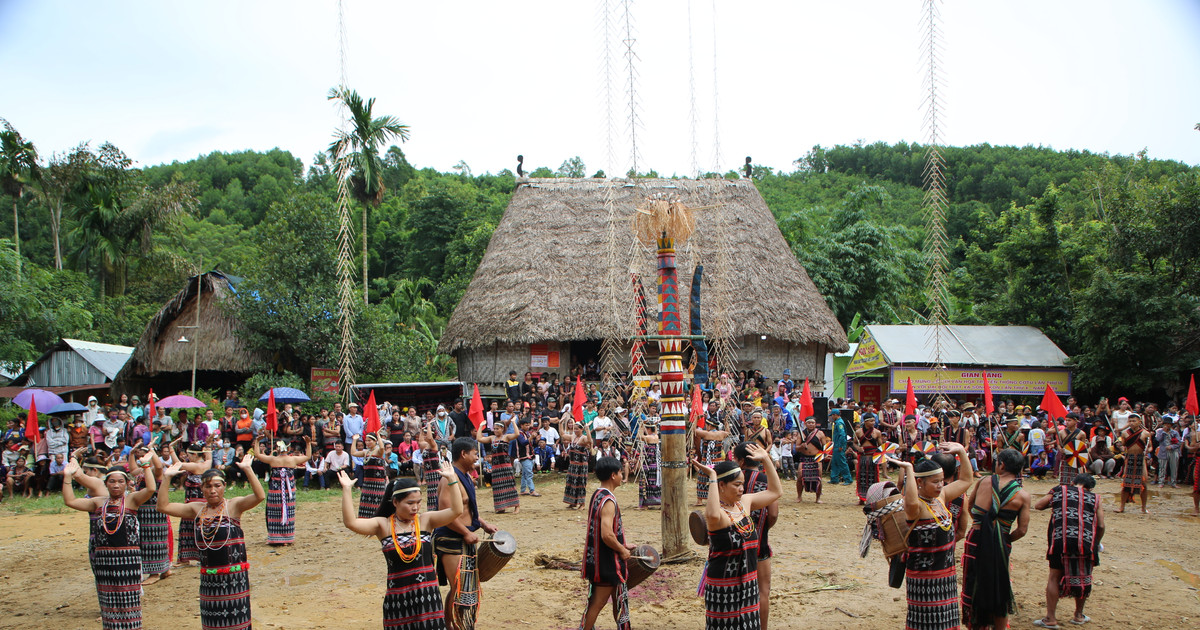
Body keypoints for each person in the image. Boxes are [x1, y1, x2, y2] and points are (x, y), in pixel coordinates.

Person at [337, 465, 463, 628]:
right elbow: (351, 523)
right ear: (395, 502)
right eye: (410, 503)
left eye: (418, 502)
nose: (415, 507)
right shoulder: (383, 525)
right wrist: (346, 489)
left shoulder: (425, 520)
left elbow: (456, 511)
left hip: (428, 597)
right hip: (398, 599)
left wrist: (452, 480)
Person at [159, 454, 264, 630]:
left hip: (234, 579)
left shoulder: (233, 506)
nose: (213, 490)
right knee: (213, 622)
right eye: (208, 486)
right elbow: (163, 507)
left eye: (217, 485)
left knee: (236, 621)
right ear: (202, 489)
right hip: (209, 580)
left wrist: (247, 469)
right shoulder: (196, 509)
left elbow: (259, 496)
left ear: (224, 486)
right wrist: (167, 477)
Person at [690, 443, 781, 630]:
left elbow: (775, 492)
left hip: (748, 583)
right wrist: (713, 477)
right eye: (737, 485)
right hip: (724, 588)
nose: (742, 489)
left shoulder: (745, 503)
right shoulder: (718, 515)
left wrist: (766, 459)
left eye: (742, 484)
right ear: (722, 486)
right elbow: (713, 514)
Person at [62, 455, 156, 629]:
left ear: (127, 483)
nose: (116, 485)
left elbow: (150, 489)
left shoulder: (132, 500)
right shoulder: (97, 503)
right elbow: (70, 501)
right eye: (112, 481)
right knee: (108, 599)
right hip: (104, 560)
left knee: (129, 598)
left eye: (120, 481)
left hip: (128, 559)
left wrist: (146, 466)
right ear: (106, 484)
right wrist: (67, 475)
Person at [893, 441, 972, 630]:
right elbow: (911, 499)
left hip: (946, 576)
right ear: (920, 483)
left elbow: (966, 481)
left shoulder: (940, 498)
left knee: (947, 621)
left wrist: (961, 451)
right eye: (935, 482)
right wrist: (909, 470)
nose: (940, 485)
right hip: (924, 579)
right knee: (926, 623)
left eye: (942, 480)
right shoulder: (915, 507)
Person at [960, 448, 1031, 630]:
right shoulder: (1023, 495)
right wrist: (1002, 539)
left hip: (976, 538)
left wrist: (983, 528)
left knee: (973, 583)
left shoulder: (984, 481)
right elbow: (1022, 530)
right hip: (1001, 543)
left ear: (1002, 465)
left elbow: (970, 506)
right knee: (999, 586)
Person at [434, 437, 499, 630]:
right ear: (463, 454)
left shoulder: (464, 476)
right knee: (458, 587)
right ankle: (451, 626)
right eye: (474, 453)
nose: (477, 457)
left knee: (464, 586)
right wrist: (465, 533)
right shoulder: (450, 478)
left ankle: (458, 625)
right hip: (452, 538)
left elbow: (466, 510)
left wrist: (483, 524)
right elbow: (445, 512)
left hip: (464, 537)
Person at [1034, 473, 1105, 628]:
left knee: (1054, 577)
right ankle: (1078, 615)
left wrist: (1056, 502)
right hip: (1085, 543)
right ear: (1090, 488)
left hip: (1061, 539)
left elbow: (1039, 505)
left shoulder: (1060, 490)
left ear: (1073, 482)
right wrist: (1096, 544)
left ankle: (1051, 619)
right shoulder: (1095, 498)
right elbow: (1100, 526)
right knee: (1084, 577)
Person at [580, 456, 638, 630]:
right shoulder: (609, 501)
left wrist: (622, 544)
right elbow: (606, 535)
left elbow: (602, 532)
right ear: (613, 475)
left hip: (600, 558)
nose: (622, 475)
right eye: (620, 472)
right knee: (597, 603)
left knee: (618, 601)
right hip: (607, 562)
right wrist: (621, 549)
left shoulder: (598, 494)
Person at [733, 441, 781, 629]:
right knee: (763, 592)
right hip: (760, 544)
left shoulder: (730, 480)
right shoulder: (766, 479)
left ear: (741, 461)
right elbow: (774, 513)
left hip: (733, 545)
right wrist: (762, 529)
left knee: (734, 590)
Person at [254, 435, 311, 545]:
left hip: (276, 491)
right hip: (288, 492)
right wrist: (308, 444)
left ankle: (276, 537)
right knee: (287, 513)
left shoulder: (273, 459)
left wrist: (257, 442)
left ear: (277, 448)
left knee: (274, 514)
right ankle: (286, 537)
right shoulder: (293, 459)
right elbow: (308, 456)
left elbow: (257, 454)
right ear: (289, 449)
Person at [130, 447, 172, 585]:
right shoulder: (141, 472)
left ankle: (155, 573)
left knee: (154, 541)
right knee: (147, 540)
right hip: (142, 510)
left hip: (154, 510)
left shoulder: (154, 471)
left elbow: (159, 467)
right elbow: (132, 469)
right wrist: (131, 453)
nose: (141, 458)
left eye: (144, 455)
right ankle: (165, 570)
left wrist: (152, 452)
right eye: (139, 456)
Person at [171, 441, 212, 566]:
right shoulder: (207, 463)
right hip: (202, 501)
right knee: (200, 529)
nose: (187, 457)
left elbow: (177, 464)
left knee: (192, 528)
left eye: (189, 454)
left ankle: (194, 557)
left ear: (195, 454)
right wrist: (208, 445)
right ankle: (197, 557)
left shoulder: (196, 466)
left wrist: (171, 449)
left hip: (194, 501)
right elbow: (209, 455)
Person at [474, 419, 520, 513]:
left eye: (497, 429)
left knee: (509, 485)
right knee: (498, 487)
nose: (495, 430)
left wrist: (514, 422)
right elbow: (479, 438)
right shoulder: (492, 438)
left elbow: (517, 434)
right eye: (494, 429)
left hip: (506, 465)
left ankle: (516, 506)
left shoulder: (506, 437)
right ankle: (500, 507)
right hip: (496, 466)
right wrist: (480, 427)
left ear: (502, 429)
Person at [1116, 413, 1151, 514]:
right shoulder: (1125, 434)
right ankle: (1122, 507)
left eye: (1134, 421)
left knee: (1143, 483)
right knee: (1126, 484)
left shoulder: (1145, 433)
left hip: (1141, 459)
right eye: (1130, 421)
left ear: (1139, 422)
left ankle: (1143, 508)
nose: (1131, 423)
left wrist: (1148, 450)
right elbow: (1122, 445)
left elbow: (1150, 447)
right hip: (1130, 459)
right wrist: (1121, 447)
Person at [694, 417, 731, 506]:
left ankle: (700, 501)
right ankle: (718, 499)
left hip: (706, 461)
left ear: (709, 425)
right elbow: (728, 432)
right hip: (718, 461)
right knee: (718, 480)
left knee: (702, 479)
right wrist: (726, 422)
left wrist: (696, 419)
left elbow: (693, 430)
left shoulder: (706, 434)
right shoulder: (721, 434)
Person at [352, 433, 389, 518]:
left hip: (378, 483)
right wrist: (354, 440)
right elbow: (353, 452)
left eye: (370, 441)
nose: (367, 442)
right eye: (366, 441)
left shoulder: (378, 451)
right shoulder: (366, 452)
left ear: (375, 441)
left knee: (377, 502)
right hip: (367, 482)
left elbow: (382, 447)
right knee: (366, 502)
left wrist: (379, 436)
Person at [854, 416, 884, 505]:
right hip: (862, 457)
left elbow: (880, 445)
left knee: (873, 477)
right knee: (862, 477)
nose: (873, 422)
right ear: (865, 422)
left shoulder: (877, 432)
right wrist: (858, 448)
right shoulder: (858, 432)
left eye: (874, 421)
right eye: (871, 421)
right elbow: (854, 443)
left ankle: (873, 498)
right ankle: (861, 498)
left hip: (873, 458)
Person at [794, 416, 825, 504]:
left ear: (815, 424)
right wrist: (801, 446)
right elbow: (796, 448)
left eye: (812, 423)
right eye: (809, 423)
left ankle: (818, 498)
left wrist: (824, 456)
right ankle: (799, 496)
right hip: (804, 457)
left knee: (818, 478)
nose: (811, 424)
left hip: (816, 458)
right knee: (800, 477)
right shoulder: (801, 434)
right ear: (805, 424)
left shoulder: (820, 433)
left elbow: (825, 447)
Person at [564, 421, 593, 509]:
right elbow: (562, 434)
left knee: (580, 483)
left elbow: (589, 440)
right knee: (571, 483)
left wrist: (587, 429)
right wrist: (561, 423)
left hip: (581, 465)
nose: (575, 430)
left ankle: (582, 503)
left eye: (577, 429)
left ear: (581, 429)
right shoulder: (573, 437)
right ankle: (572, 502)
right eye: (574, 429)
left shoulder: (583, 438)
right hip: (573, 464)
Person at [1054, 413, 1087, 486]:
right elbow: (1058, 444)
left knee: (1077, 479)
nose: (1067, 422)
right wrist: (1061, 449)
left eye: (1069, 420)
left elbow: (1082, 447)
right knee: (1064, 479)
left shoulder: (1081, 434)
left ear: (1076, 421)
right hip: (1065, 457)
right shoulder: (1061, 432)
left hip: (1076, 459)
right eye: (1066, 420)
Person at [636, 420, 661, 508]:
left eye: (646, 428)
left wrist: (641, 426)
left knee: (645, 482)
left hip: (649, 464)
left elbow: (638, 436)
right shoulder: (656, 436)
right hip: (655, 464)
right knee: (653, 483)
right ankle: (654, 501)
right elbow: (655, 430)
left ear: (648, 429)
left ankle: (645, 504)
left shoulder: (649, 438)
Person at [514, 416, 540, 496]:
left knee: (525, 474)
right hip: (524, 456)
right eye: (526, 425)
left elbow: (532, 444)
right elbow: (523, 443)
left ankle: (523, 490)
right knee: (529, 474)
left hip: (529, 455)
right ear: (521, 425)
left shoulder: (527, 433)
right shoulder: (519, 434)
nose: (528, 427)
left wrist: (536, 439)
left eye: (528, 425)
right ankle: (532, 490)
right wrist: (531, 437)